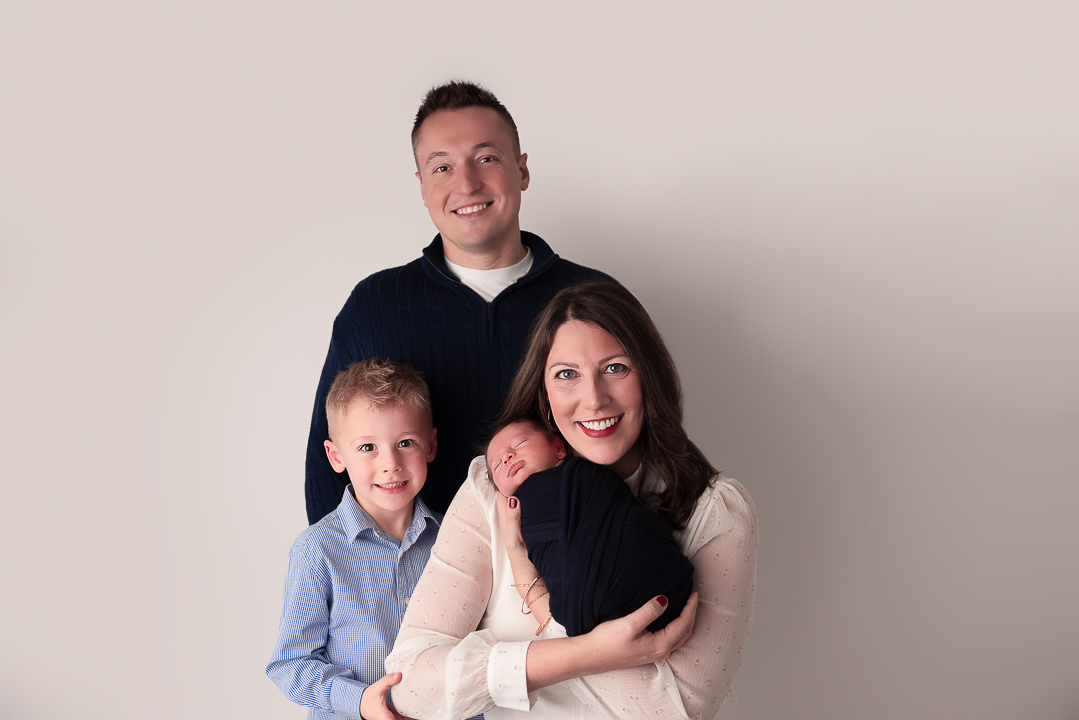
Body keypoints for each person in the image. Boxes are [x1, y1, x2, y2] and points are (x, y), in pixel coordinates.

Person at [387, 280, 758, 720]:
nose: (594, 398)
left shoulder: (715, 513)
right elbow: (410, 683)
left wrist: (534, 598)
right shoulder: (492, 488)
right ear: (544, 395)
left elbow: (673, 713)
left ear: (649, 376)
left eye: (616, 368)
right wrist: (587, 652)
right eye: (566, 374)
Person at [305, 80, 612, 524]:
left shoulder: (596, 300)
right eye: (442, 167)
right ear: (422, 185)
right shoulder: (372, 307)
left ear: (522, 170)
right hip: (411, 587)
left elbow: (646, 450)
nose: (466, 183)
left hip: (570, 580)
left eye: (486, 159)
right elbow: (327, 467)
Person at [268, 358, 464, 720]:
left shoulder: (456, 540)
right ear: (336, 455)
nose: (390, 463)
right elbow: (291, 665)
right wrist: (359, 701)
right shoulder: (317, 550)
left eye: (405, 442)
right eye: (367, 447)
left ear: (431, 446)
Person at [484, 419, 694, 635]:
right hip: (594, 608)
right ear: (499, 490)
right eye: (497, 465)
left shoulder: (586, 476)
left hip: (656, 578)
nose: (507, 457)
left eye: (519, 443)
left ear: (558, 448)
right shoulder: (504, 507)